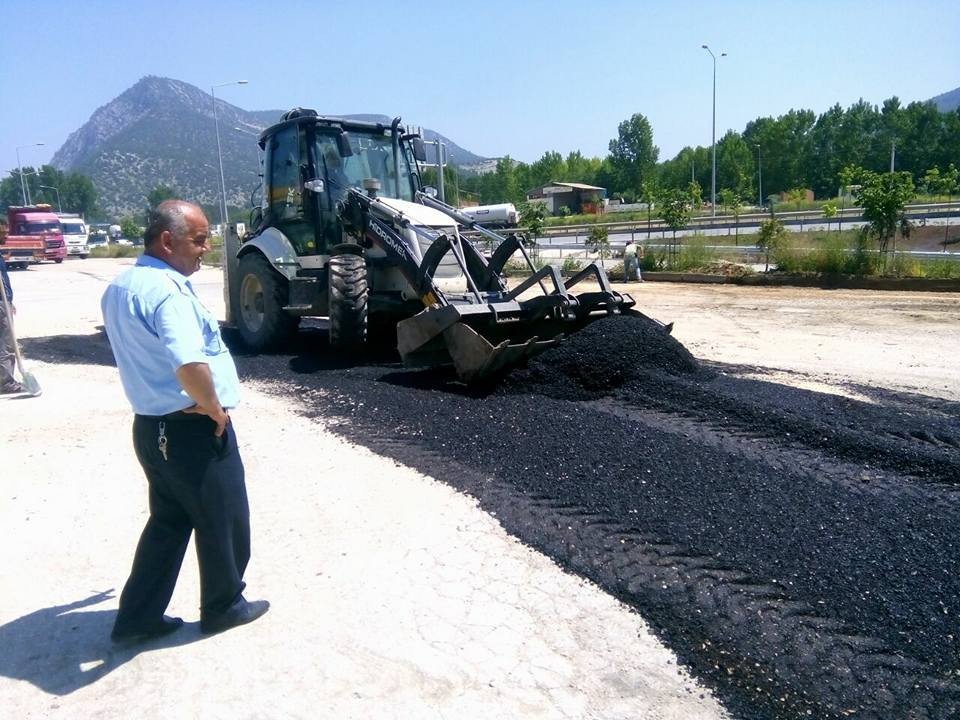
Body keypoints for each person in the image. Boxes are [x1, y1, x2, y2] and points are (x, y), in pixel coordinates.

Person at [101, 200, 269, 643]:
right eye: (199, 240)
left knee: (169, 523)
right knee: (225, 519)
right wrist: (214, 408)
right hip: (192, 429)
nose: (206, 247)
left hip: (151, 429)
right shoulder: (168, 293)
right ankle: (224, 606)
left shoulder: (120, 286)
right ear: (167, 241)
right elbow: (189, 363)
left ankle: (137, 617)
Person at [0, 255, 24, 394]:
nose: (7, 235)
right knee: (6, 343)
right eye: (4, 232)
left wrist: (9, 301)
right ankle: (6, 383)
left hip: (4, 301)